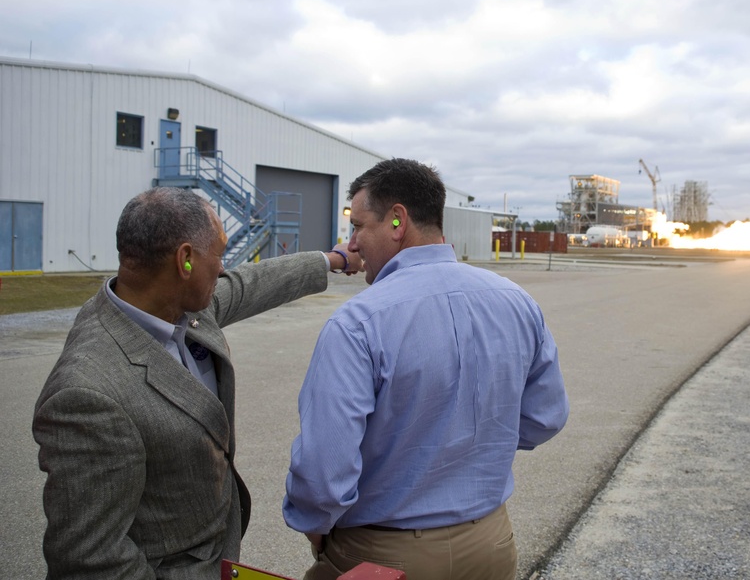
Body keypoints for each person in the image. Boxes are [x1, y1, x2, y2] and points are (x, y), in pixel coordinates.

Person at [33, 186, 360, 580]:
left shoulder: (171, 305)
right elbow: (89, 560)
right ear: (185, 259)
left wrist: (331, 259)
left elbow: (248, 284)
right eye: (220, 253)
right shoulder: (87, 393)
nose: (223, 269)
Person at [283, 158, 570, 580]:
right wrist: (474, 450)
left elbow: (325, 472)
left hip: (383, 554)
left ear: (397, 221)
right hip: (490, 544)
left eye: (359, 226)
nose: (353, 243)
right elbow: (546, 416)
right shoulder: (516, 302)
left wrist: (315, 524)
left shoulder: (358, 323)